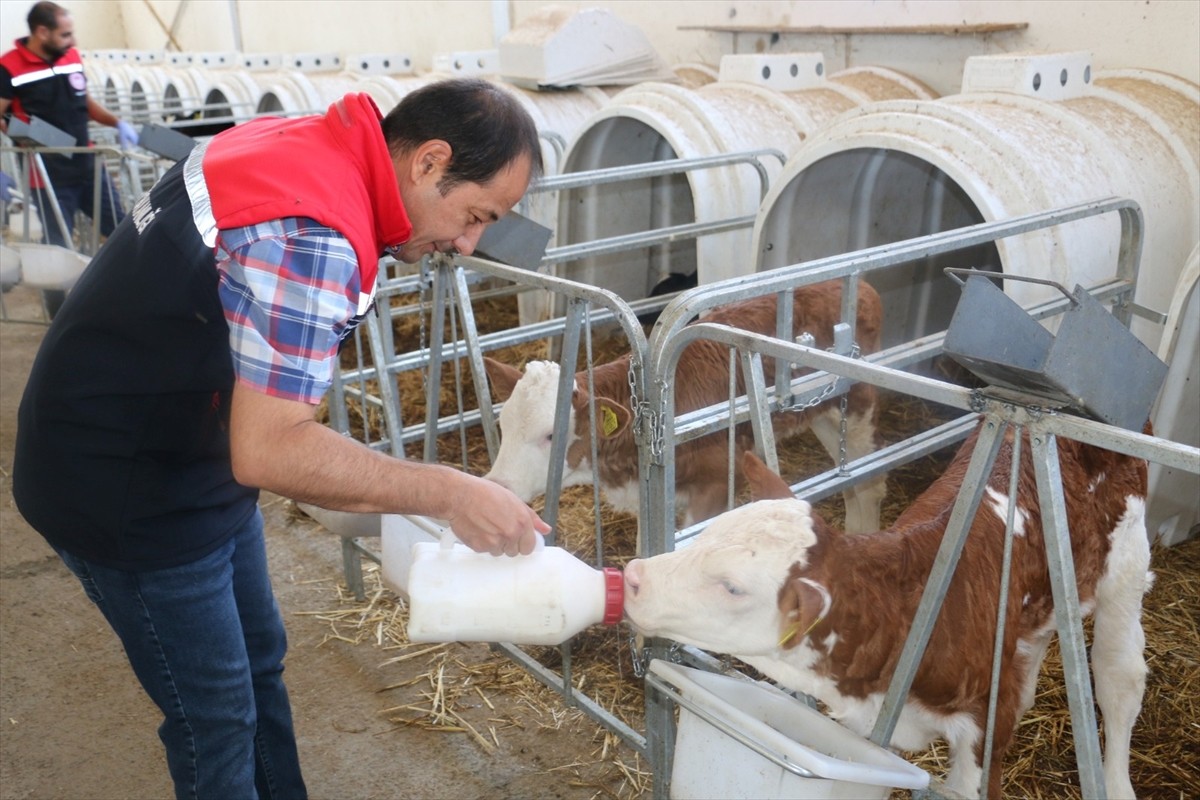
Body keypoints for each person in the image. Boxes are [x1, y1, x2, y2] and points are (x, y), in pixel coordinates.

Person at [12, 78, 551, 798]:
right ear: (428, 161)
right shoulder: (316, 232)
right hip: (126, 482)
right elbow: (270, 449)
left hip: (183, 438)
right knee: (215, 716)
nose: (467, 241)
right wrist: (450, 491)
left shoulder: (306, 141)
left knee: (259, 658)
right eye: (475, 214)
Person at [0, 1, 138, 249]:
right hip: (45, 173)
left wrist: (117, 122)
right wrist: (18, 136)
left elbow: (84, 101)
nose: (73, 41)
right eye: (65, 35)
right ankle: (56, 289)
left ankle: (129, 285)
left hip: (88, 165)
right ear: (42, 32)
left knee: (122, 230)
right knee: (57, 245)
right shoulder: (9, 67)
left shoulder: (70, 57)